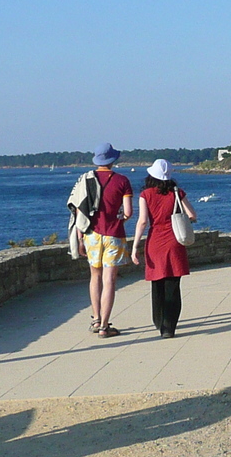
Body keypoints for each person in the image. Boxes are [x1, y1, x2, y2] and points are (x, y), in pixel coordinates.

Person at [131, 159, 193, 338]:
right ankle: (169, 326)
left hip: (155, 242)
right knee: (173, 285)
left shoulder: (146, 194)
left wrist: (135, 246)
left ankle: (158, 321)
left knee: (157, 284)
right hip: (175, 241)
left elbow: (142, 221)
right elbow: (191, 214)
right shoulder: (177, 193)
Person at [79, 143, 133, 337]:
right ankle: (104, 325)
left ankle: (95, 318)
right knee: (109, 280)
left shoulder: (86, 180)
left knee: (95, 276)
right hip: (114, 233)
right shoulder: (122, 181)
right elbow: (128, 212)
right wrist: (120, 218)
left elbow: (79, 211)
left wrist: (79, 236)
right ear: (113, 160)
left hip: (92, 233)